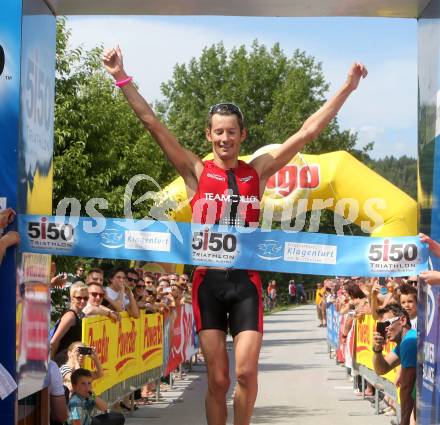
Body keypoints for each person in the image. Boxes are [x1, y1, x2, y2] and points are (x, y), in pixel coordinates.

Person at [103, 46, 367, 425]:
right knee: (219, 378)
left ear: (242, 135)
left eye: (231, 132)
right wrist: (120, 76)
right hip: (207, 284)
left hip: (246, 283)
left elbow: (308, 132)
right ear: (208, 135)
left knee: (245, 374)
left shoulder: (256, 172)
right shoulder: (195, 171)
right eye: (218, 132)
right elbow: (153, 123)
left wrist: (347, 86)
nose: (224, 139)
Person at [372, 304, 417, 425]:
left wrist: (404, 422)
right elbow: (382, 369)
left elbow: (406, 389)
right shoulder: (404, 341)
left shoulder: (410, 342)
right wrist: (377, 350)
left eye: (387, 324)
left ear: (402, 320)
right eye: (381, 326)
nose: (385, 329)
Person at [50, 282, 89, 364]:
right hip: (63, 361)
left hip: (72, 361)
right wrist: (52, 363)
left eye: (85, 298)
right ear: (72, 298)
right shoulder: (70, 316)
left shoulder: (80, 315)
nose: (82, 301)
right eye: (79, 298)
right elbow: (53, 342)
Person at [44, 359, 69, 425]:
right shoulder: (75, 402)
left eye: (89, 383)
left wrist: (92, 396)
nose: (88, 386)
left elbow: (100, 405)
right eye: (83, 383)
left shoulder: (88, 398)